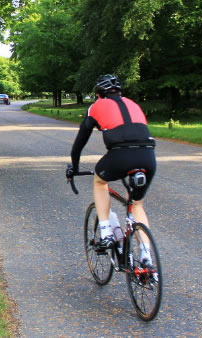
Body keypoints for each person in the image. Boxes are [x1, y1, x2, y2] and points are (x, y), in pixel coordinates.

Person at [66, 74, 156, 264]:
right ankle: (146, 255)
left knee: (100, 182)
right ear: (120, 92)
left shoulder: (96, 106)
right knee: (137, 204)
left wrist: (74, 167)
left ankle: (106, 231)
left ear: (98, 94)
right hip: (148, 156)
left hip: (120, 155)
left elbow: (79, 144)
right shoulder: (133, 104)